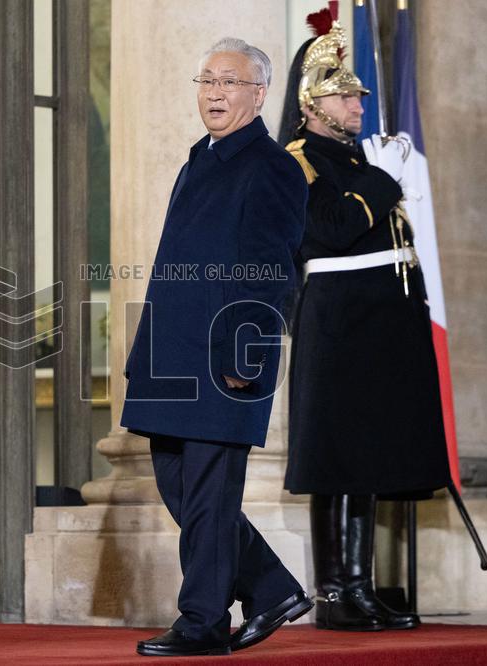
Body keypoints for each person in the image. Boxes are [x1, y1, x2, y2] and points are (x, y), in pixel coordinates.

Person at [121, 38, 310, 657]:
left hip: (223, 359)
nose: (214, 93)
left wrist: (244, 357)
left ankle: (202, 622)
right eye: (206, 81)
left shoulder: (273, 166)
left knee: (208, 495)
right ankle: (272, 586)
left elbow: (273, 269)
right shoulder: (197, 159)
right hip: (172, 357)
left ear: (259, 94)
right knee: (181, 489)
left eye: (229, 82)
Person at [278, 10, 453, 631]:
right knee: (340, 458)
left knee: (369, 455)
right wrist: (384, 181)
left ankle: (360, 587)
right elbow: (328, 230)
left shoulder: (354, 159)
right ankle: (333, 595)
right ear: (313, 100)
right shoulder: (298, 160)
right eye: (346, 94)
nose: (359, 103)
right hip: (340, 322)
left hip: (381, 321)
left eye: (357, 94)